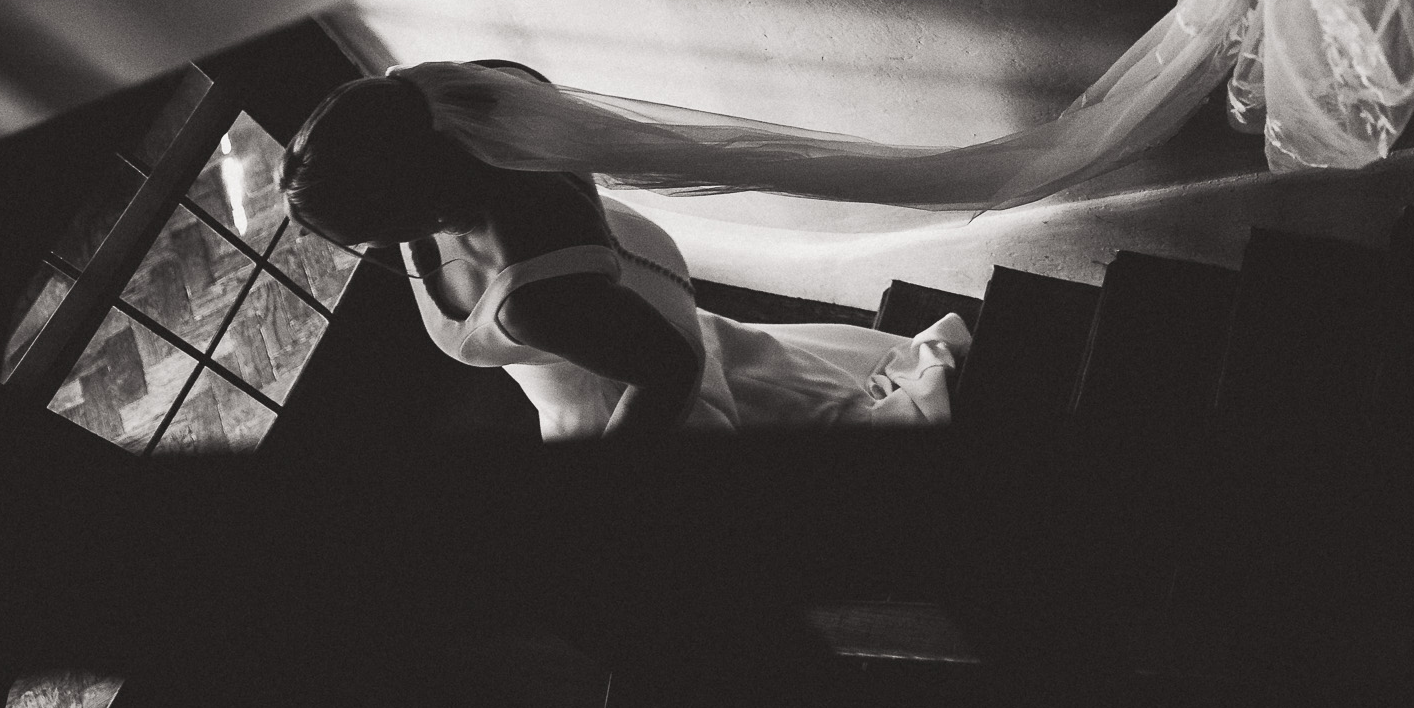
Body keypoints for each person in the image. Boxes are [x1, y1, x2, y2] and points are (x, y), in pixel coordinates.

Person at [281, 61, 969, 442]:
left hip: (620, 403)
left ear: (404, 196)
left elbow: (669, 370)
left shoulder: (534, 298)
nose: (369, 249)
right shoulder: (454, 102)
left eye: (363, 230)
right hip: (628, 313)